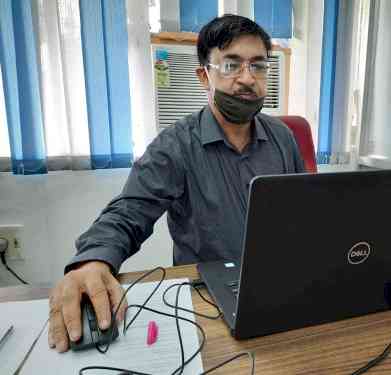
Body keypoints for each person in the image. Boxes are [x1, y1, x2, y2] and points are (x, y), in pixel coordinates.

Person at [48, 14, 305, 352]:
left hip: (281, 288)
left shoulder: (283, 138)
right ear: (204, 76)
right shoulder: (175, 145)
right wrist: (93, 261)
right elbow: (129, 210)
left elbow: (305, 210)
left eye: (258, 66)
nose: (247, 79)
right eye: (231, 66)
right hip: (206, 297)